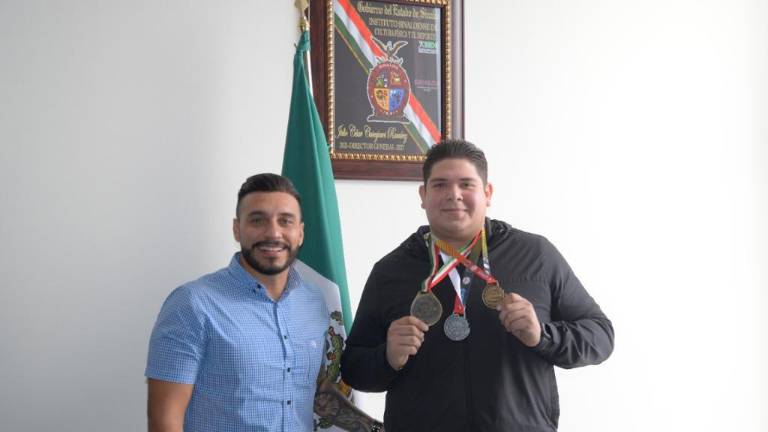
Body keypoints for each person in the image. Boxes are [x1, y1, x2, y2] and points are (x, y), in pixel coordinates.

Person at [340, 140, 614, 431]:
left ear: (487, 193)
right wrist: (388, 357)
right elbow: (354, 368)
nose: (453, 195)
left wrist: (542, 335)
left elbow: (600, 336)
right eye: (440, 185)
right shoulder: (390, 271)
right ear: (423, 194)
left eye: (466, 184)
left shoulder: (536, 255)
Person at [146, 173, 383, 432]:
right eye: (258, 220)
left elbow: (311, 392)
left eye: (285, 221)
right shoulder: (192, 305)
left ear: (300, 233)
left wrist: (377, 428)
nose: (273, 233)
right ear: (237, 229)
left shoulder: (314, 301)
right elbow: (165, 421)